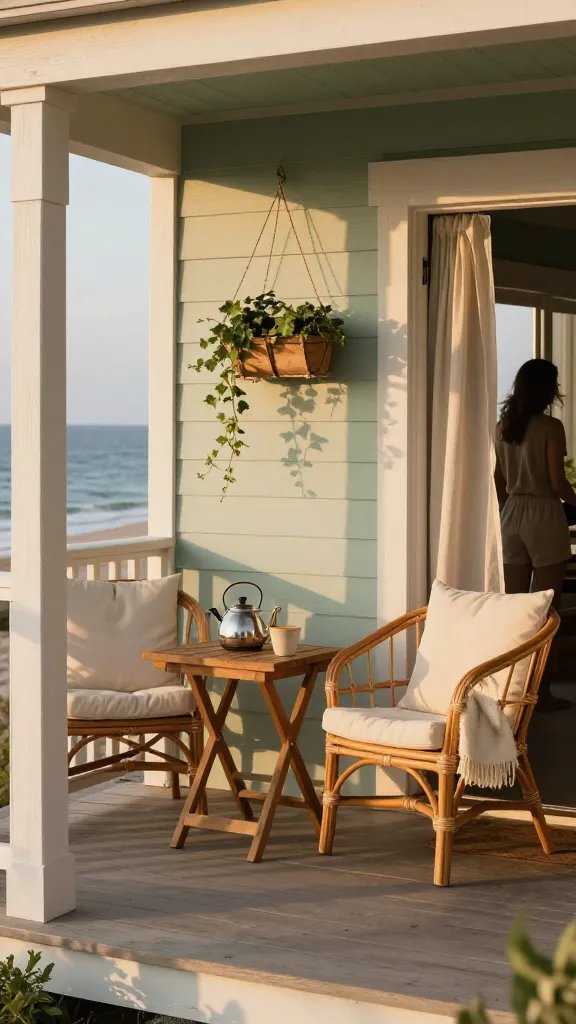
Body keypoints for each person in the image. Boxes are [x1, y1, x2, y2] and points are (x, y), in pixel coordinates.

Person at [495, 358, 576, 712]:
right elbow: (558, 484)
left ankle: (509, 688)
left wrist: (505, 513)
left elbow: (499, 480)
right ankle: (541, 692)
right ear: (549, 389)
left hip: (511, 513)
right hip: (543, 514)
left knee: (513, 609)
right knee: (546, 609)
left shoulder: (504, 425)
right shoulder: (550, 427)